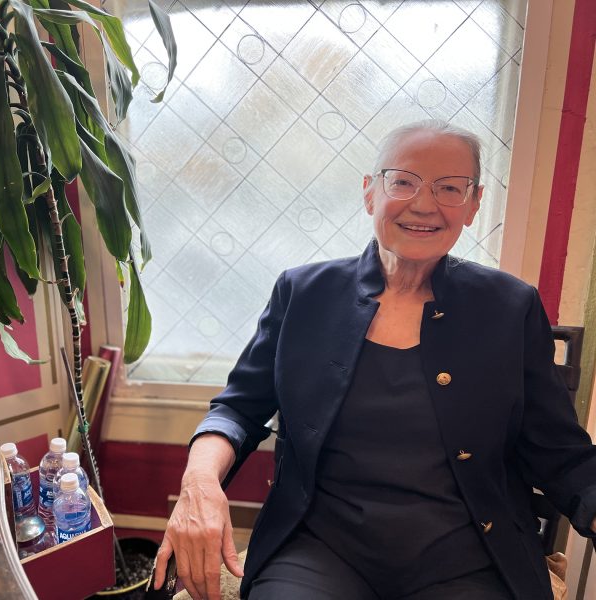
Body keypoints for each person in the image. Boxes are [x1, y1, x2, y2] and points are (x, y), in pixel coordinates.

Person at [154, 121, 596, 600]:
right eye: (403, 181)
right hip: (320, 547)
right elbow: (238, 409)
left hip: (470, 555)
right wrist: (199, 481)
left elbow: (559, 451)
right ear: (370, 193)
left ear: (473, 204)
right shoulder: (304, 293)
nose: (424, 204)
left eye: (450, 188)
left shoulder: (510, 306)